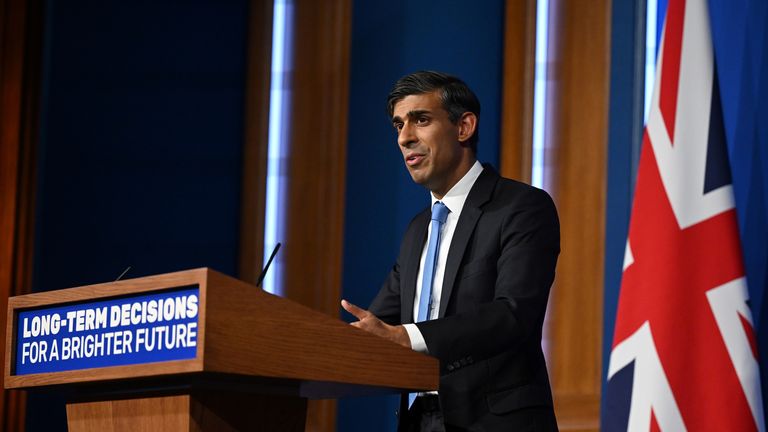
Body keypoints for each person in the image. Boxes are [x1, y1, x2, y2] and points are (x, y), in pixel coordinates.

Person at [341, 71, 560, 431]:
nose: (405, 138)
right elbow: (377, 327)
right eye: (398, 126)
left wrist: (406, 337)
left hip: (494, 421)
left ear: (464, 127)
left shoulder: (521, 207)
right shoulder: (417, 231)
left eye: (420, 120)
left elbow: (514, 314)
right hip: (420, 422)